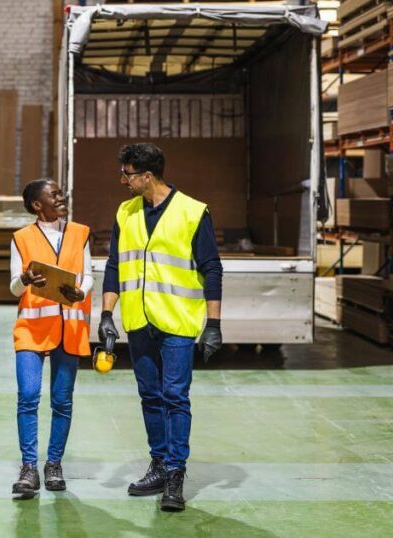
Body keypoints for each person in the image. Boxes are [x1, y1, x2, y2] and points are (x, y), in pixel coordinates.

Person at [97, 143, 223, 512]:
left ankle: (175, 473)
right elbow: (114, 265)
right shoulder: (126, 212)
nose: (123, 181)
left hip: (178, 321)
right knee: (150, 396)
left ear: (148, 176)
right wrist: (106, 314)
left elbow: (212, 268)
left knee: (175, 396)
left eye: (128, 175)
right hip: (139, 321)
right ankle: (159, 463)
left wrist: (213, 323)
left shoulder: (193, 212)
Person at [8, 179, 93, 498]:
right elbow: (13, 288)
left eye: (61, 193)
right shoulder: (21, 238)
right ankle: (29, 467)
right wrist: (25, 279)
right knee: (28, 396)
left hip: (69, 327)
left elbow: (88, 275)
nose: (61, 197)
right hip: (32, 327)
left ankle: (54, 464)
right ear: (36, 205)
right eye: (54, 195)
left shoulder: (80, 233)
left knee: (62, 400)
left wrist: (81, 292)